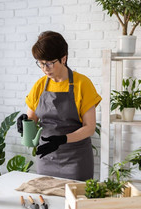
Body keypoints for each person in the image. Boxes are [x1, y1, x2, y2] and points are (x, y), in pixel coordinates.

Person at [17, 31, 102, 181]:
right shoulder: (40, 85)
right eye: (41, 63)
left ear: (64, 58)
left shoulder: (82, 84)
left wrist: (62, 139)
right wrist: (24, 121)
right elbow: (32, 119)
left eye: (49, 63)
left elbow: (89, 127)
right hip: (46, 157)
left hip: (76, 160)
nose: (45, 69)